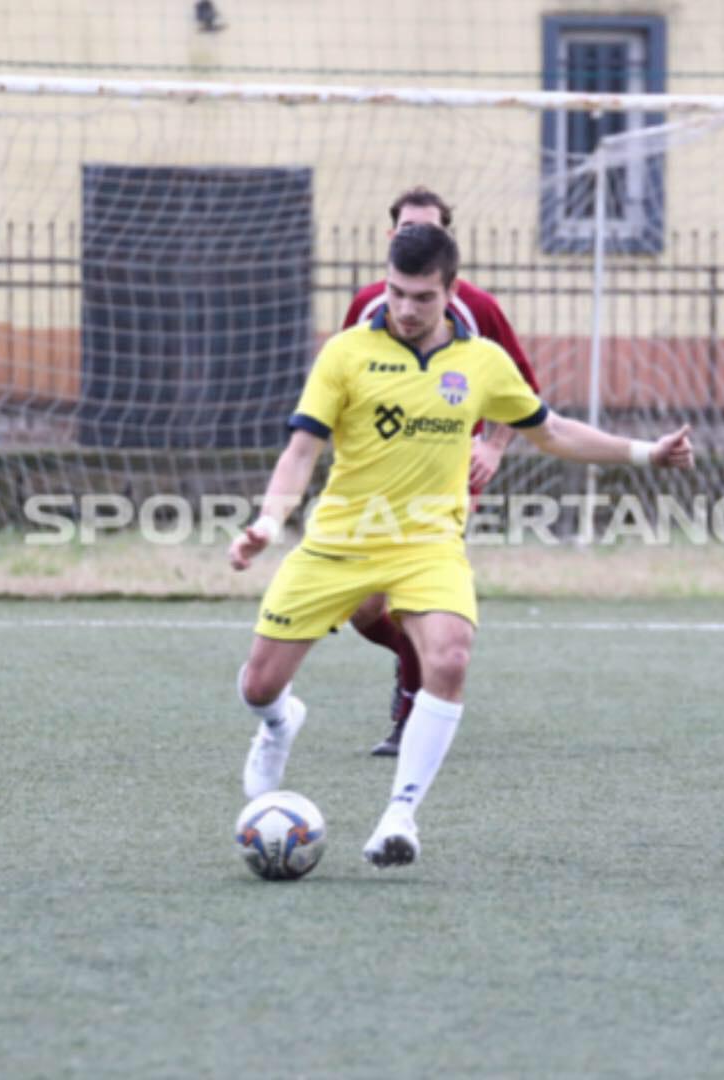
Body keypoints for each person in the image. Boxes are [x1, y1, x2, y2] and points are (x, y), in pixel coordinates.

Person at [230, 222, 693, 869]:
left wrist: (645, 453)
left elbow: (553, 431)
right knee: (258, 685)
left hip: (429, 544)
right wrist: (268, 521)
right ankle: (280, 723)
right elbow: (302, 450)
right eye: (396, 292)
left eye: (422, 297)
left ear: (450, 292)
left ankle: (400, 816)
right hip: (340, 540)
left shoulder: (483, 362)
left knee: (449, 658)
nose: (405, 309)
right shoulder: (345, 353)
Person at [343, 186, 541, 757]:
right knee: (364, 610)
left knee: (412, 597)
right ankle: (419, 661)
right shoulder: (367, 305)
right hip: (375, 479)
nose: (417, 238)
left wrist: (494, 447)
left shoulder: (477, 307)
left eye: (429, 229)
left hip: (445, 477)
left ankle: (412, 712)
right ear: (391, 236)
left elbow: (524, 391)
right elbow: (342, 383)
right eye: (408, 229)